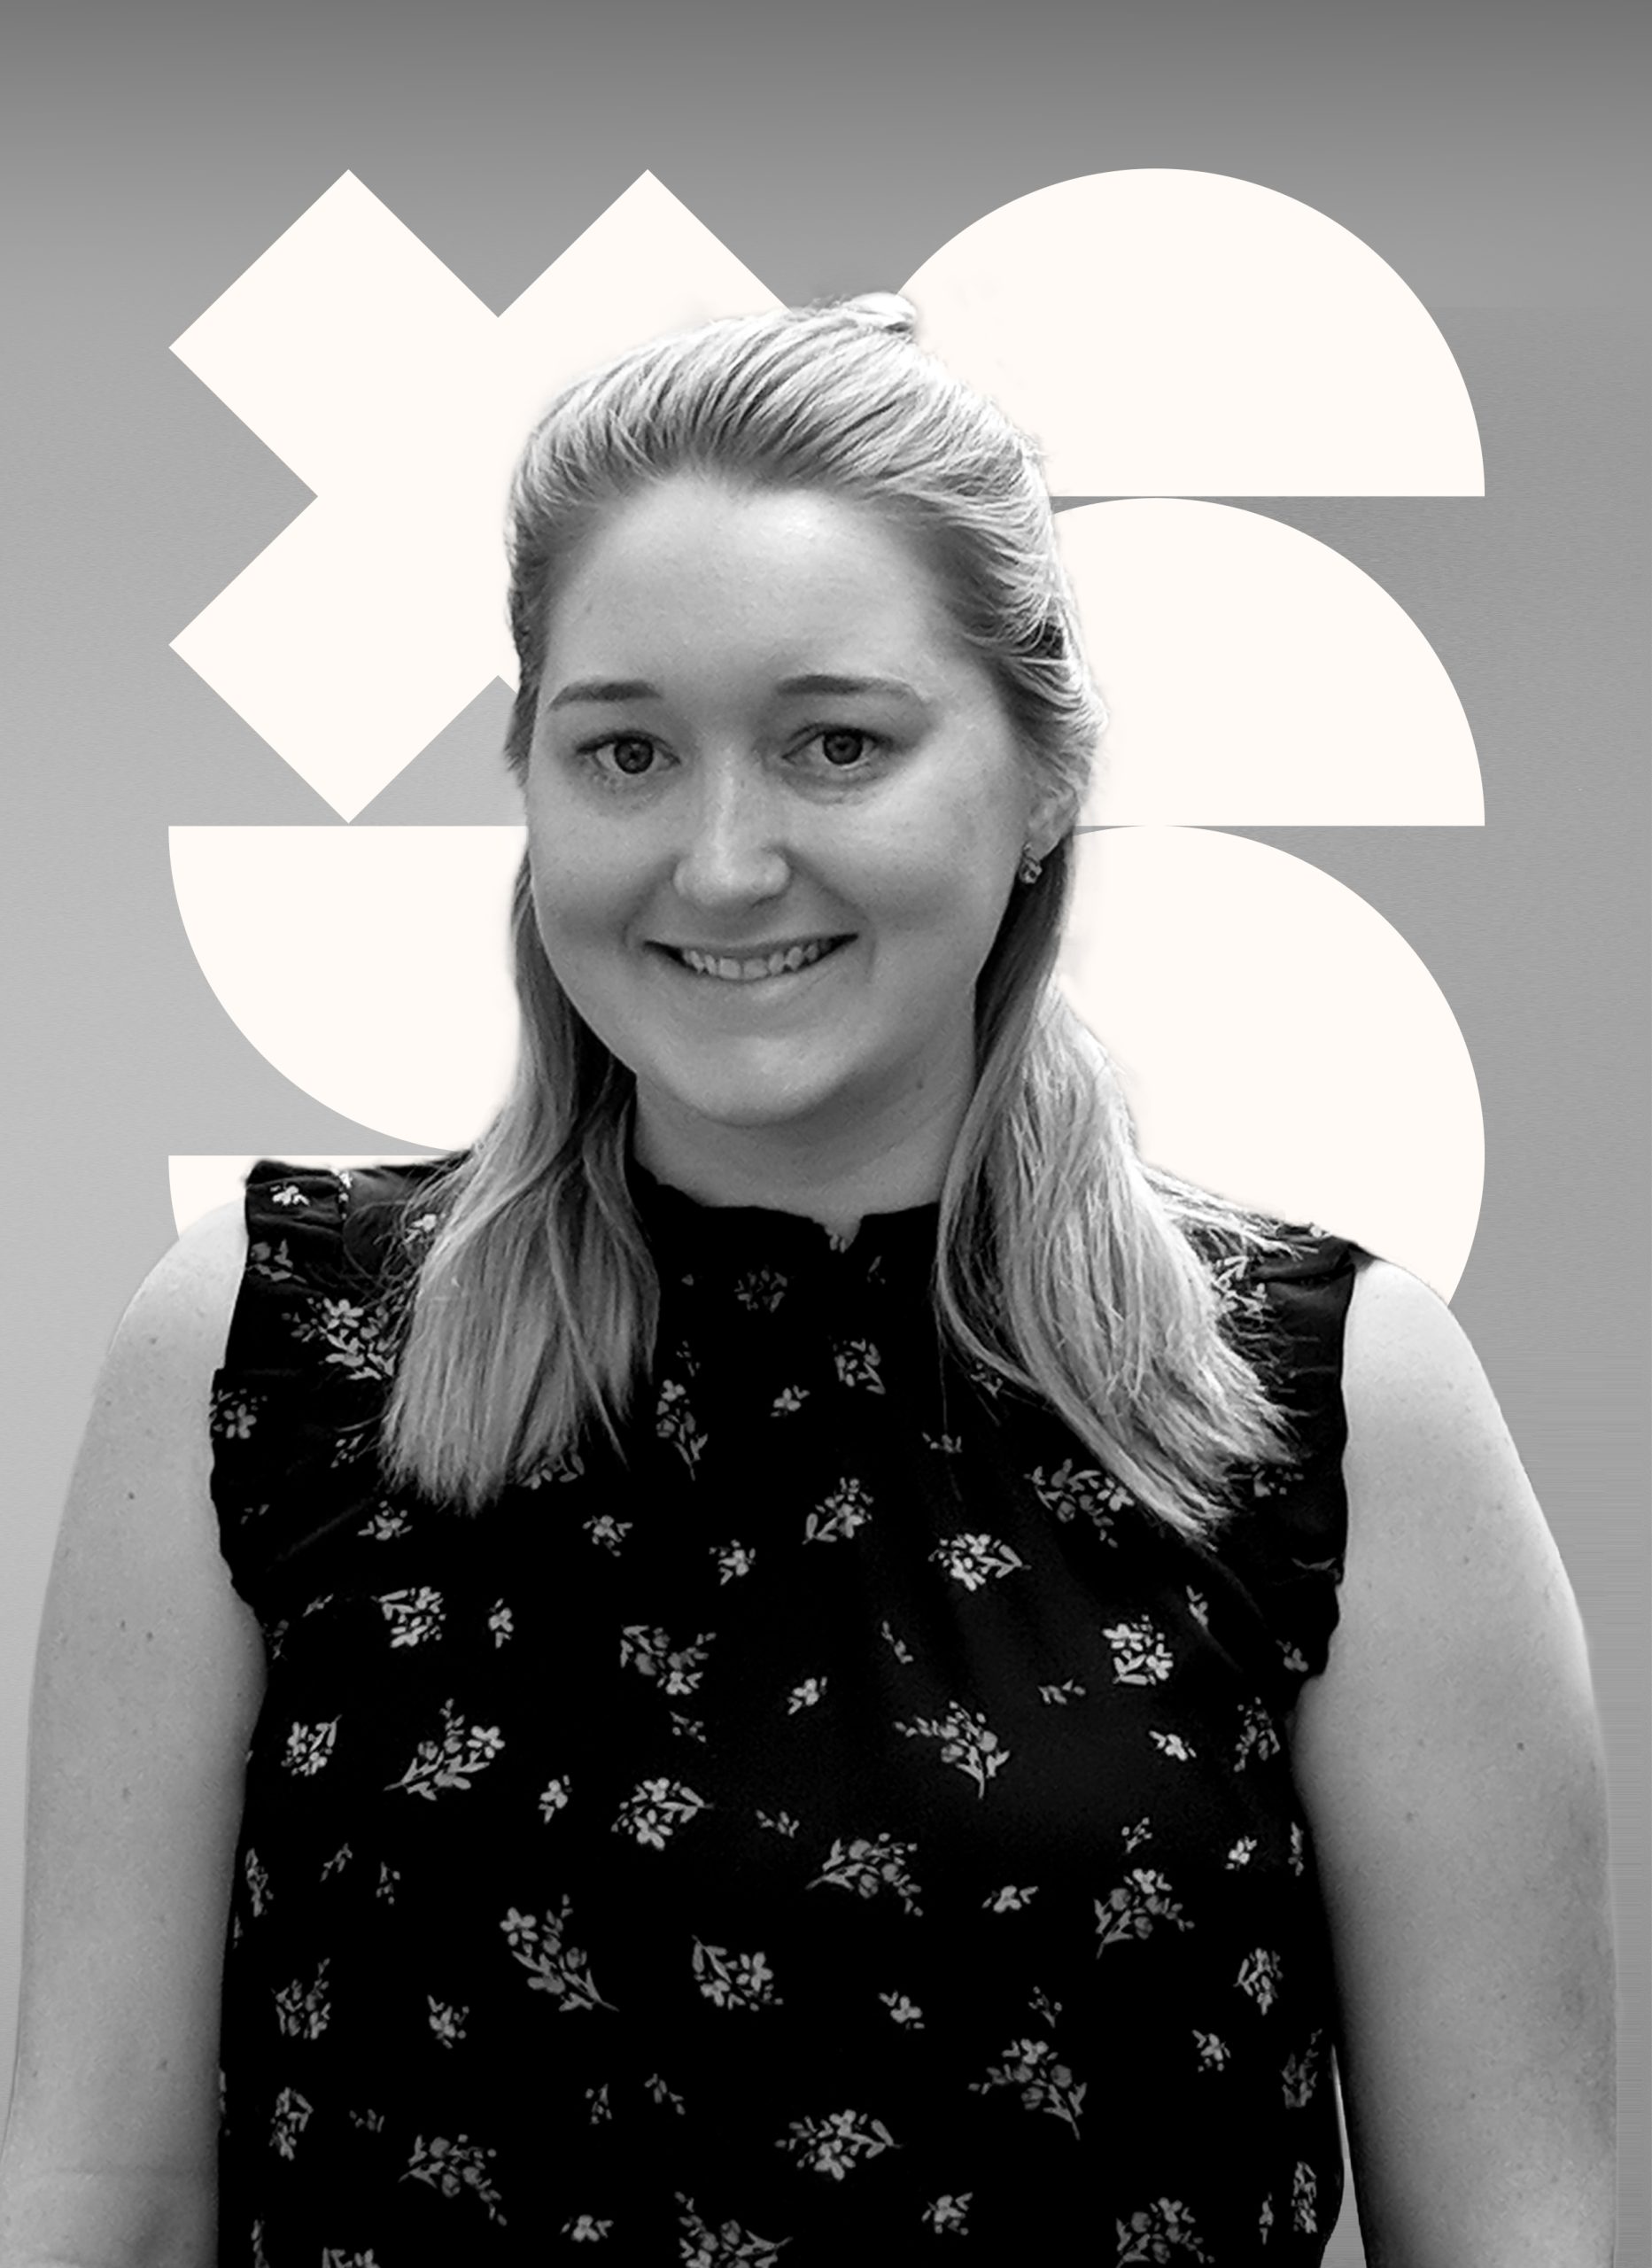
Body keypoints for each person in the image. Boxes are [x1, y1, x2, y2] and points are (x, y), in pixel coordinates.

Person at [0, 297, 1615, 2267]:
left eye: (835, 741)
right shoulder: (268, 1348)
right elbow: (101, 2192)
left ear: (1039, 784)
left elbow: (1523, 2224)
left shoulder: (1327, 1399)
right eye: (626, 752)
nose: (726, 857)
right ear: (528, 784)